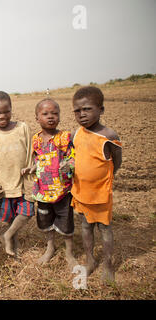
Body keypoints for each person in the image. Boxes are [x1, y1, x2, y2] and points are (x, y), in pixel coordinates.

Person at [71, 86, 122, 283]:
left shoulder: (108, 135)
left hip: (100, 193)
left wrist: (107, 178)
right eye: (77, 110)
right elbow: (79, 158)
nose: (81, 114)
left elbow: (116, 161)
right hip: (82, 191)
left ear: (101, 109)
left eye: (87, 109)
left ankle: (108, 265)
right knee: (85, 226)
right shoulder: (77, 133)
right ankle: (90, 260)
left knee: (105, 228)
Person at [21, 99, 77, 269]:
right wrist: (32, 168)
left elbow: (74, 158)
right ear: (37, 118)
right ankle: (50, 247)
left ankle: (69, 252)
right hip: (43, 191)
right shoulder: (36, 140)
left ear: (59, 117)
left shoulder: (65, 138)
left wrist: (69, 164)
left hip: (63, 191)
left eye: (55, 113)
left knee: (66, 221)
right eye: (45, 114)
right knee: (46, 220)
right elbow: (41, 160)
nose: (51, 117)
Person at [0, 91, 35, 257]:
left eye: (6, 111)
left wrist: (31, 177)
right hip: (4, 184)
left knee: (27, 211)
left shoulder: (23, 128)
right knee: (8, 216)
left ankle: (8, 235)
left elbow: (31, 153)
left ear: (11, 109)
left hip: (23, 181)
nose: (2, 116)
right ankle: (13, 242)